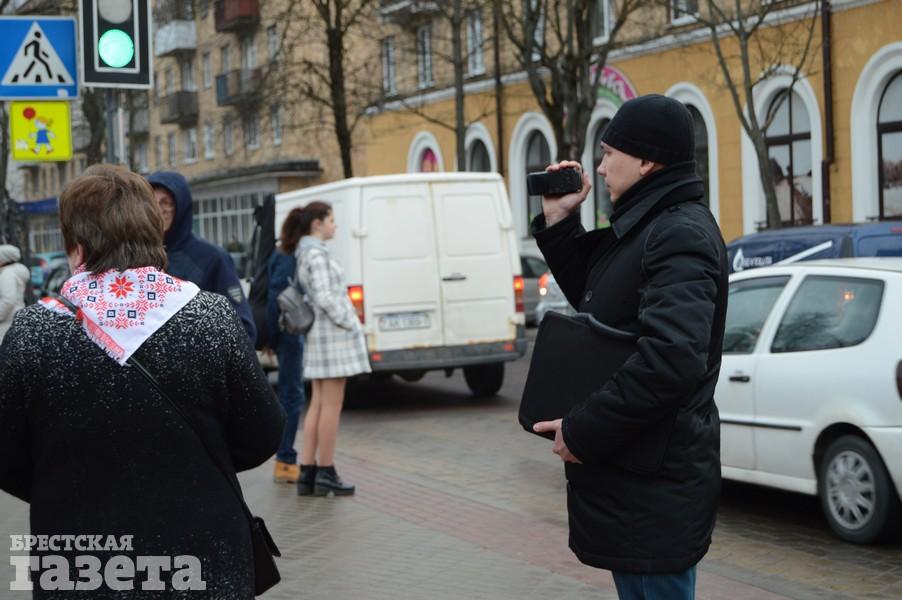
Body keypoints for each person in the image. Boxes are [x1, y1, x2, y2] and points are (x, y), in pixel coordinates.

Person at [0, 164, 285, 599]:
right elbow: (263, 432)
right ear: (155, 233)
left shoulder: (34, 331)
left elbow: (6, 453)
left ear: (75, 244)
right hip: (202, 555)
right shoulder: (209, 318)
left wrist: (64, 483)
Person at [530, 95, 728, 600]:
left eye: (608, 152)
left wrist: (582, 431)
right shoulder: (650, 224)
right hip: (640, 480)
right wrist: (560, 220)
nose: (599, 167)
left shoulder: (677, 233)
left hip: (652, 485)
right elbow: (602, 298)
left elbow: (670, 362)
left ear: (645, 162)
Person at [294, 201, 371, 497]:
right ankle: (325, 470)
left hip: (320, 336)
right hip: (333, 337)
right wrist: (349, 321)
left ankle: (308, 471)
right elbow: (326, 296)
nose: (334, 225)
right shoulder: (316, 254)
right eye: (331, 220)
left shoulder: (306, 252)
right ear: (317, 224)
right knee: (331, 405)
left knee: (318, 403)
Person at [146, 171, 257, 343]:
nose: (159, 210)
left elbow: (243, 329)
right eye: (151, 202)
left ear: (181, 207)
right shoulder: (135, 257)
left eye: (166, 203)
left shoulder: (212, 258)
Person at [267, 207, 307, 484]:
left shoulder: (281, 253)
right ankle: (285, 458)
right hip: (289, 333)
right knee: (292, 396)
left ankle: (285, 457)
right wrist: (272, 337)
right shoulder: (287, 257)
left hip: (286, 333)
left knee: (291, 394)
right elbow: (276, 299)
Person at [0, 245, 29, 342]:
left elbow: (8, 300)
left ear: (4, 259)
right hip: (14, 319)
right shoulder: (14, 271)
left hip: (6, 325)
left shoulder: (7, 274)